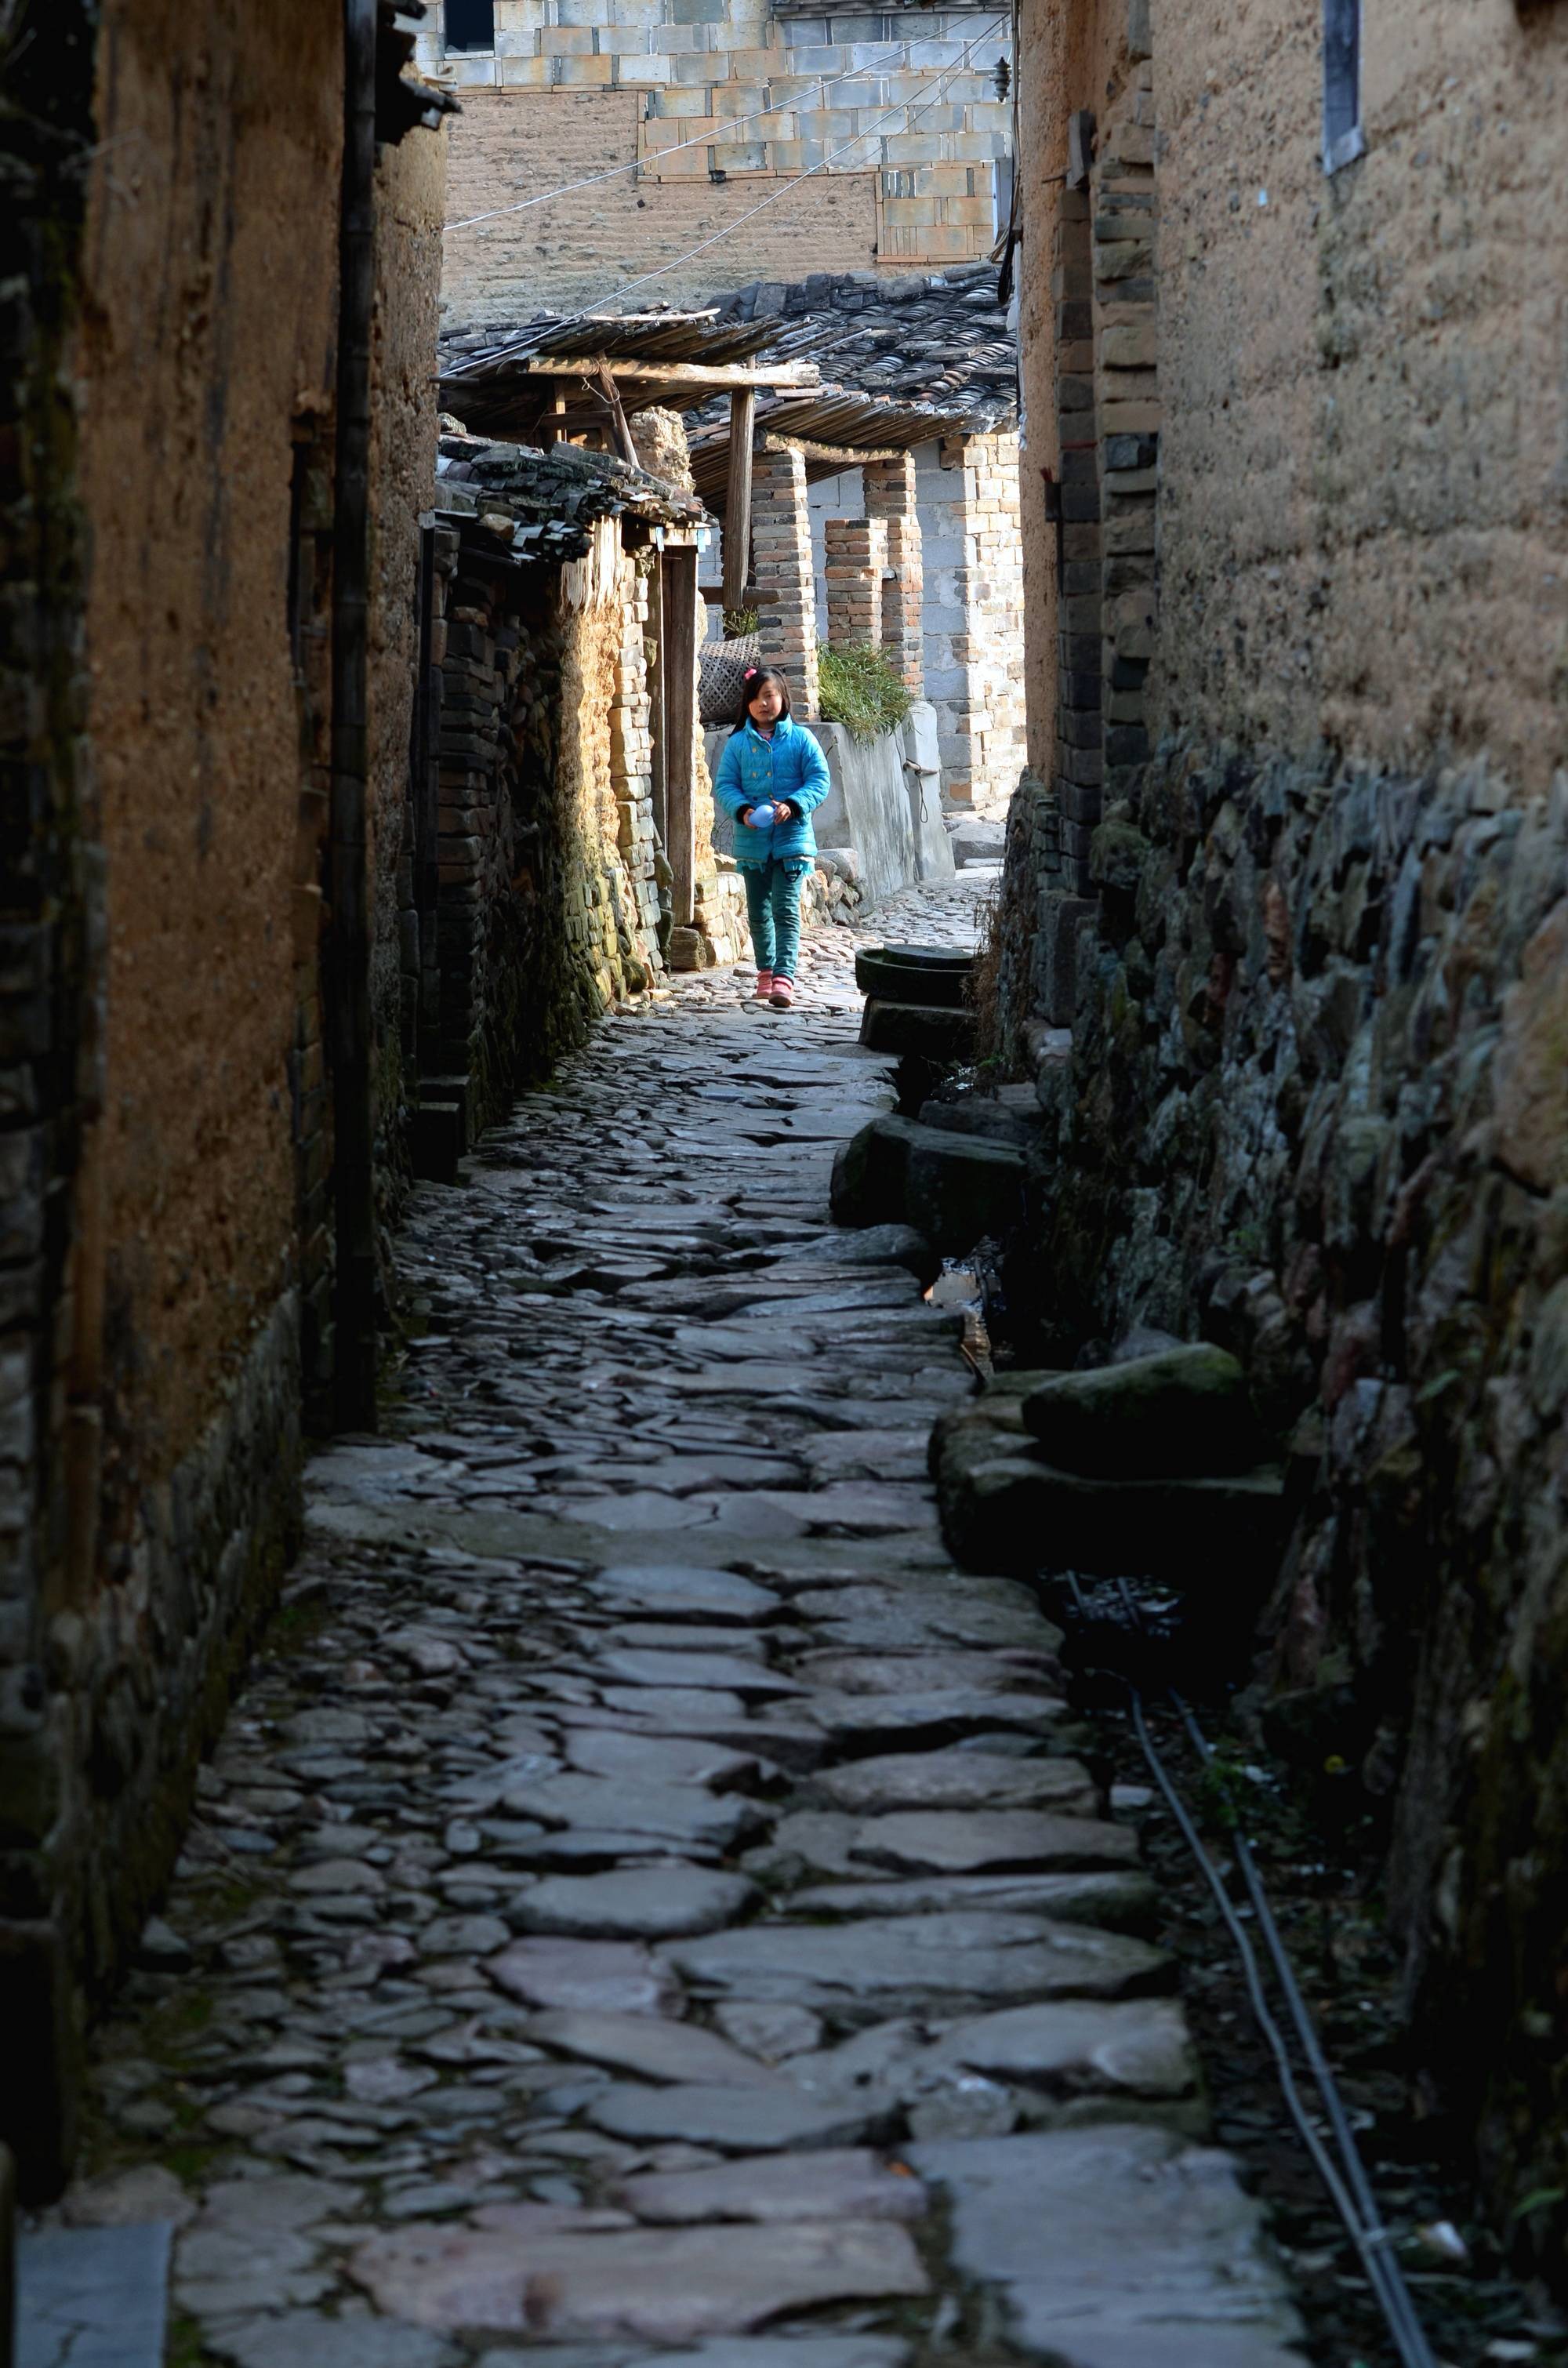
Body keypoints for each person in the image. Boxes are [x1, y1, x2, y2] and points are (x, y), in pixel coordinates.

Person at [710, 665, 830, 1010]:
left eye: (770, 696)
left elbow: (819, 780)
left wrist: (794, 804)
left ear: (783, 699)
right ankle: (765, 973)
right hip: (752, 844)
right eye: (757, 698)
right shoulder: (737, 745)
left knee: (786, 910)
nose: (764, 704)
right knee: (759, 912)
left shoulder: (802, 740)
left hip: (792, 843)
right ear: (747, 704)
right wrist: (744, 811)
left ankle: (784, 978)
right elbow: (726, 786)